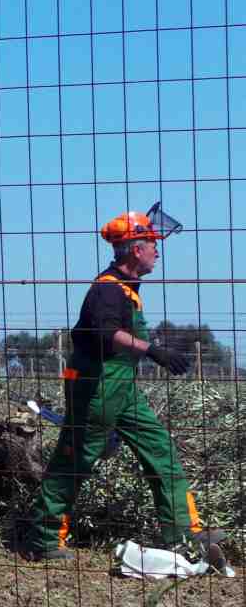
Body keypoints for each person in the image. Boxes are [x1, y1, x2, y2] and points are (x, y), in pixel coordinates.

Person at [19, 203, 226, 567]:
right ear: (136, 250)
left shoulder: (127, 288)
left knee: (159, 448)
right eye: (152, 244)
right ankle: (44, 538)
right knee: (76, 459)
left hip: (121, 386)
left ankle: (184, 533)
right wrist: (153, 350)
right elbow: (104, 332)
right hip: (96, 386)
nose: (158, 251)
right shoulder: (107, 290)